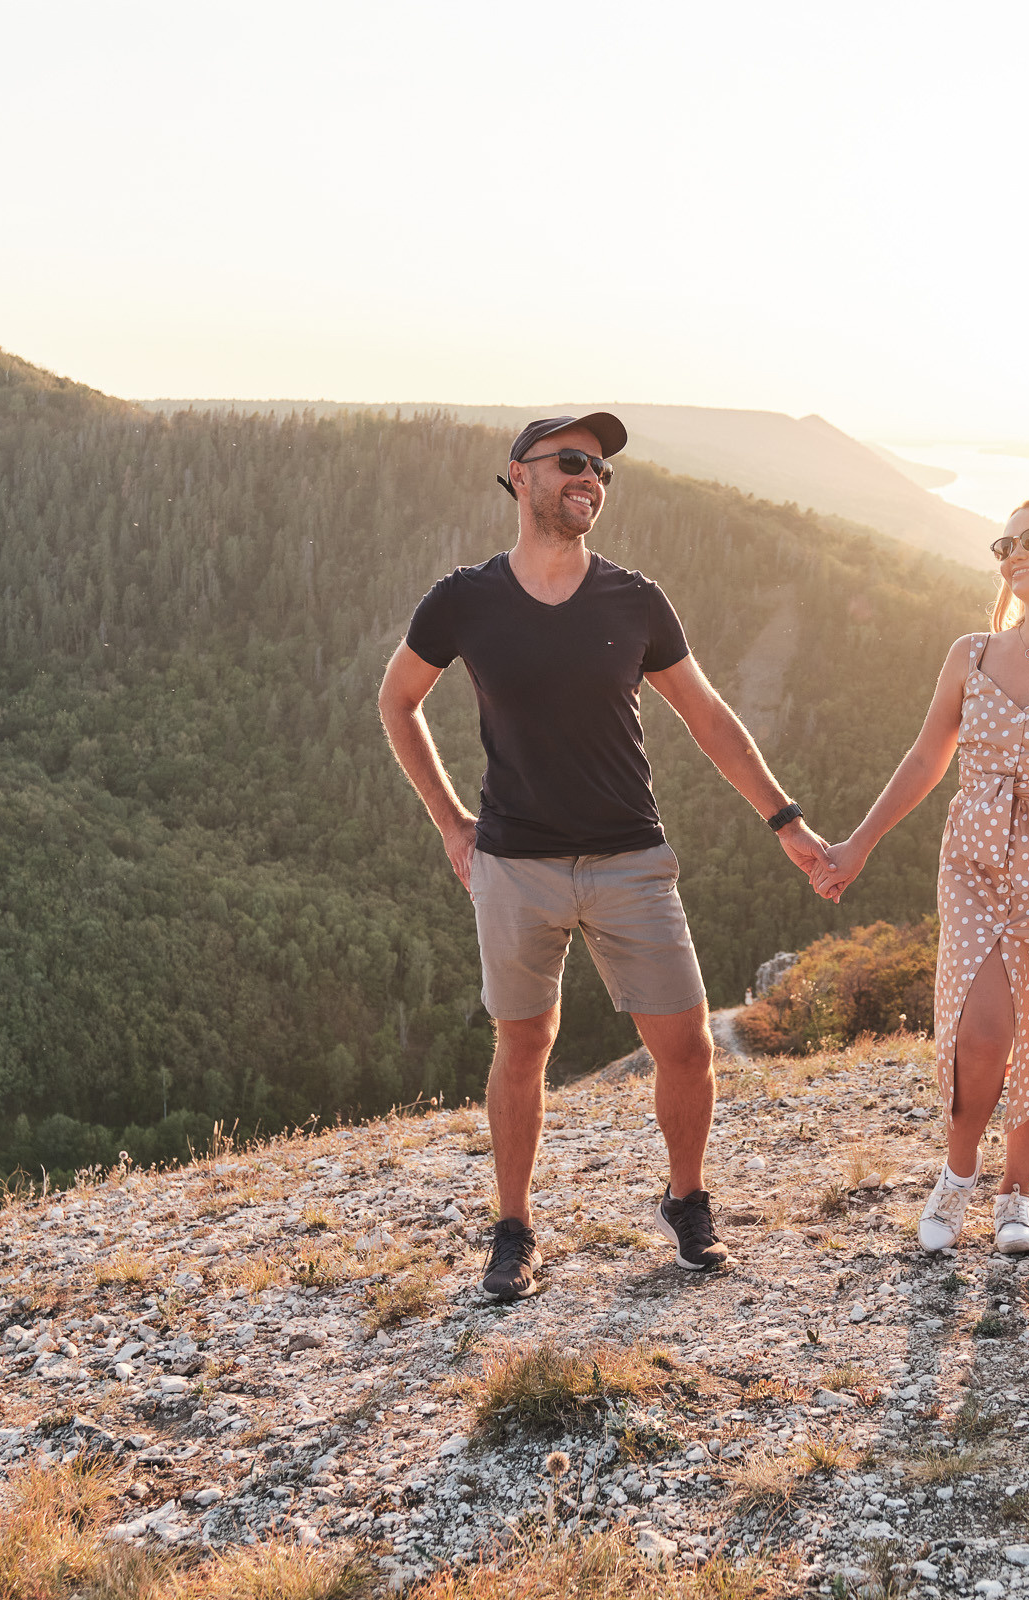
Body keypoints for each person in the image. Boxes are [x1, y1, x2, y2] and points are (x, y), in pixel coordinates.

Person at [379, 413, 833, 1301]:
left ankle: (687, 1201)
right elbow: (397, 702)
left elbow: (709, 721)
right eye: (574, 462)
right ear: (519, 476)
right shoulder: (464, 599)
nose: (591, 478)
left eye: (604, 471)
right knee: (524, 1046)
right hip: (514, 863)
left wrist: (788, 823)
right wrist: (448, 818)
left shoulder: (636, 600)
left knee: (688, 1048)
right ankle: (512, 1229)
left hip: (632, 859)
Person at [810, 499, 1029, 1254]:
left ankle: (1016, 1194)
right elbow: (928, 756)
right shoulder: (971, 654)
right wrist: (858, 844)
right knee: (981, 1031)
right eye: (1006, 543)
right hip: (975, 864)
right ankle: (958, 1176)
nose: (1015, 552)